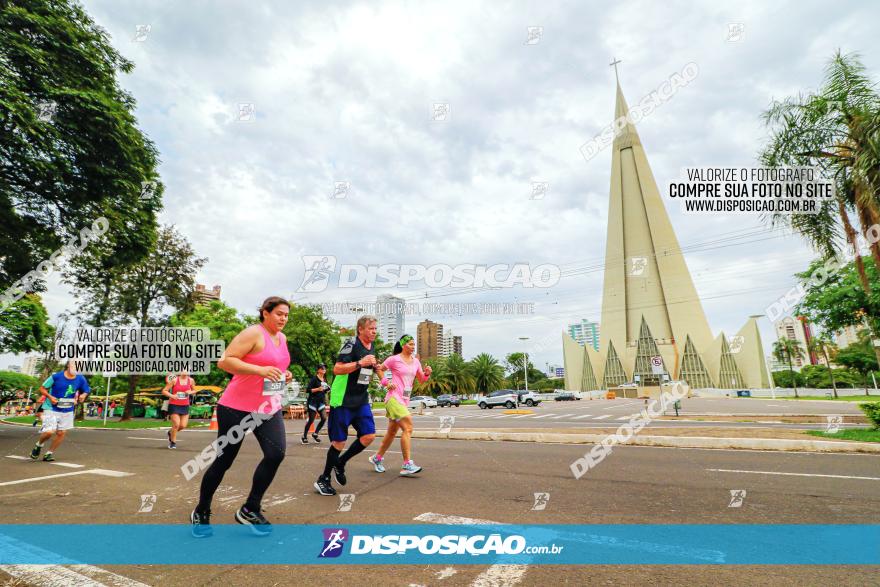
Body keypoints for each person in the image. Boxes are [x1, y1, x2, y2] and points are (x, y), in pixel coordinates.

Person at [191, 296, 292, 538]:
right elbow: (224, 361)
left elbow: (276, 365)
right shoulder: (253, 334)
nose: (283, 319)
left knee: (276, 453)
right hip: (236, 406)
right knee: (224, 460)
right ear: (265, 313)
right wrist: (259, 370)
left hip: (267, 406)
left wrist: (284, 375)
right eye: (279, 314)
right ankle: (201, 510)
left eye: (286, 315)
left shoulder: (282, 338)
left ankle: (250, 508)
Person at [314, 315, 385, 496]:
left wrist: (380, 372)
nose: (374, 332)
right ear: (360, 329)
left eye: (376, 328)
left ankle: (341, 462)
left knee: (368, 435)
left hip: (360, 399)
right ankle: (323, 479)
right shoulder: (349, 344)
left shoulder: (372, 346)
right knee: (339, 441)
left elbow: (371, 368)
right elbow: (337, 369)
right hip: (343, 399)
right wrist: (360, 363)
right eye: (371, 329)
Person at [369, 334, 431, 475]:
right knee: (408, 427)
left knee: (392, 432)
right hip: (393, 398)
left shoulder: (416, 362)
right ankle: (407, 464)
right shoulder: (394, 359)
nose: (413, 346)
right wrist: (386, 383)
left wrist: (427, 373)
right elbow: (379, 369)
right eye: (410, 344)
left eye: (414, 344)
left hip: (404, 400)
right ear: (403, 345)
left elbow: (421, 380)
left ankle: (377, 458)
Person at [30, 361, 91, 462]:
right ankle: (39, 445)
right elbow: (42, 388)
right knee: (49, 432)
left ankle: (49, 454)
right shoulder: (56, 377)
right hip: (51, 407)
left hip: (67, 408)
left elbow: (86, 389)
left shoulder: (81, 378)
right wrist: (50, 396)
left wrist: (83, 395)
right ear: (68, 365)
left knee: (61, 433)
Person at [162, 369, 196, 449]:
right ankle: (173, 443)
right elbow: (164, 391)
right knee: (176, 424)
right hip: (174, 405)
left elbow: (194, 391)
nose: (186, 372)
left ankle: (170, 432)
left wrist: (190, 392)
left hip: (185, 405)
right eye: (184, 370)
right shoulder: (174, 380)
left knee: (183, 425)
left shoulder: (191, 380)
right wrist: (172, 396)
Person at [301, 364, 329, 444]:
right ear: (318, 370)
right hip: (313, 402)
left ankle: (315, 433)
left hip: (321, 402)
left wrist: (327, 390)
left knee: (324, 418)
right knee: (311, 420)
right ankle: (304, 436)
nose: (324, 369)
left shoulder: (324, 379)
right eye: (322, 368)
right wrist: (318, 389)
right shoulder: (314, 379)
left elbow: (323, 390)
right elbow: (308, 390)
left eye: (325, 368)